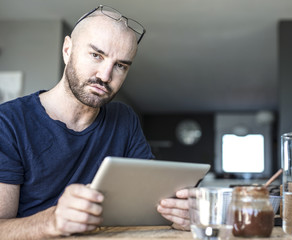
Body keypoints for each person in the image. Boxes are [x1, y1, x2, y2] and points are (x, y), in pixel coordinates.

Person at [0, 5, 190, 239]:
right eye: (96, 55)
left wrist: (177, 215)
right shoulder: (7, 122)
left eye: (120, 65)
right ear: (68, 49)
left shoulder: (125, 120)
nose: (105, 75)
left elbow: (148, 205)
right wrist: (52, 221)